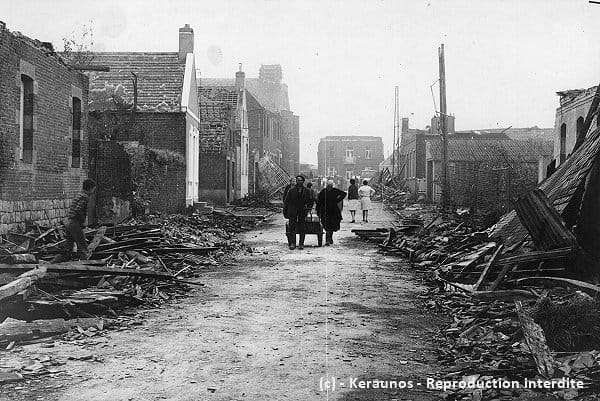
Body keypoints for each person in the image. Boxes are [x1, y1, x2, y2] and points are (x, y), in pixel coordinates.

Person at [63, 179, 96, 260]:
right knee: (82, 246)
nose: (94, 191)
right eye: (94, 189)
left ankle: (63, 263)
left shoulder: (79, 195)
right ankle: (85, 265)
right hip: (75, 223)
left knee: (69, 247)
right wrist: (82, 220)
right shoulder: (85, 197)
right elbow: (78, 209)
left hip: (69, 223)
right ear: (90, 188)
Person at [283, 175, 312, 250]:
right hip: (293, 211)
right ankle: (293, 243)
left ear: (303, 181)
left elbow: (310, 201)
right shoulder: (291, 190)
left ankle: (301, 244)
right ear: (296, 181)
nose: (299, 182)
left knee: (302, 227)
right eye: (298, 180)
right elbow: (286, 201)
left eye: (301, 180)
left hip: (302, 211)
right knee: (292, 227)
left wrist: (308, 208)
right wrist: (285, 211)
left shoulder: (306, 191)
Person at [316, 180, 347, 246]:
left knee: (332, 225)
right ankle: (328, 240)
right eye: (328, 186)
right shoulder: (323, 191)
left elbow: (344, 194)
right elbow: (319, 201)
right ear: (327, 185)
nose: (329, 187)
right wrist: (318, 210)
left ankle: (329, 238)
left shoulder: (335, 190)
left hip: (333, 211)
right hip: (325, 211)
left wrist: (337, 200)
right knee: (326, 225)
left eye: (331, 186)